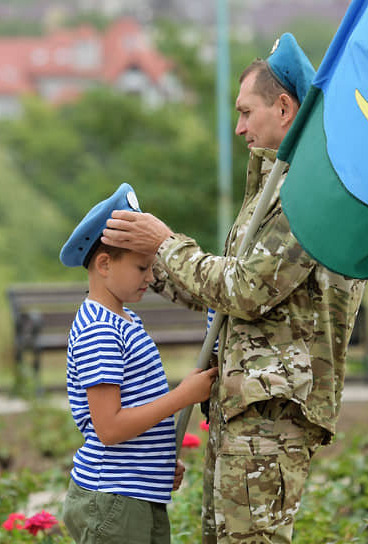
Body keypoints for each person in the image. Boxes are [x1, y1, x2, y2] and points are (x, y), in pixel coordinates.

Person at [100, 34, 366, 543]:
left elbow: (245, 291)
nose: (239, 126)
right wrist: (144, 264)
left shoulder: (308, 193)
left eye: (247, 111)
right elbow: (222, 295)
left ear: (285, 106)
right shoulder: (274, 187)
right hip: (241, 409)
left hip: (271, 416)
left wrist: (165, 244)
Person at [59, 183, 218, 544]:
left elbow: (135, 409)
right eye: (142, 267)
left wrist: (154, 467)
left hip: (134, 493)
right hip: (113, 501)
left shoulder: (126, 319)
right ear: (104, 263)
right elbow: (110, 428)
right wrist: (183, 397)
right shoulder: (99, 330)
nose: (151, 277)